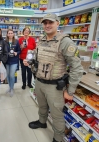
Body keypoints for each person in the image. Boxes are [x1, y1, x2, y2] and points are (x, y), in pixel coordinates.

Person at [24, 13, 83, 142]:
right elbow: (39, 59)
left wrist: (71, 90)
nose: (47, 25)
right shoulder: (42, 40)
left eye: (50, 22)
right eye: (45, 23)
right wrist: (31, 61)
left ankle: (58, 138)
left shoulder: (65, 42)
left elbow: (77, 68)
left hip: (54, 87)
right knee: (42, 106)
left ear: (57, 23)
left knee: (56, 115)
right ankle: (42, 121)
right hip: (39, 82)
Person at [5, 29, 21, 97]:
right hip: (7, 61)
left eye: (11, 33)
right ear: (7, 34)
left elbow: (19, 51)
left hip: (14, 61)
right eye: (9, 33)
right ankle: (9, 86)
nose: (10, 34)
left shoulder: (16, 42)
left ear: (13, 34)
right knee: (8, 75)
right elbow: (3, 50)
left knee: (12, 75)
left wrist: (16, 53)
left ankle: (12, 88)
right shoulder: (5, 42)